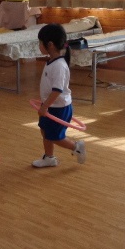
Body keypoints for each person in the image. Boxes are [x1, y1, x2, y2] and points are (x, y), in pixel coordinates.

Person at [32, 23, 86, 168]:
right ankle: (49, 158)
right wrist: (45, 105)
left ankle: (77, 147)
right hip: (50, 105)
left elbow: (57, 90)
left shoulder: (59, 66)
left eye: (40, 42)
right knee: (45, 132)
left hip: (58, 108)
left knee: (55, 137)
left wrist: (45, 106)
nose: (39, 45)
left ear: (50, 44)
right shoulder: (51, 61)